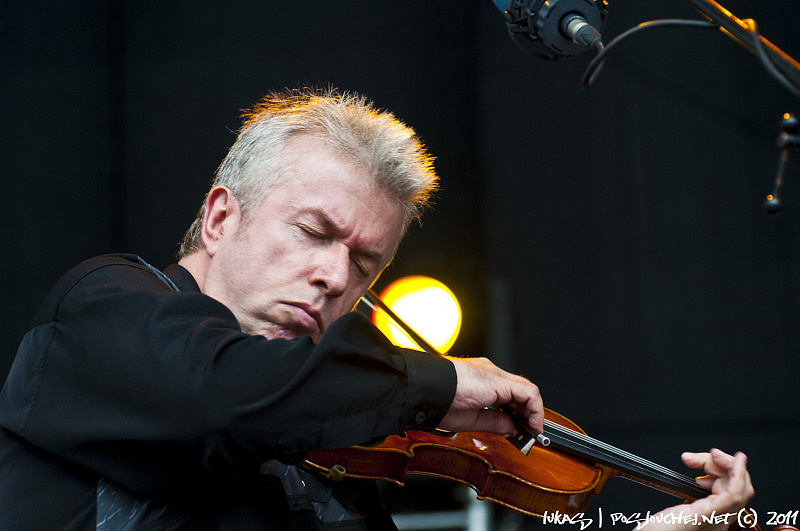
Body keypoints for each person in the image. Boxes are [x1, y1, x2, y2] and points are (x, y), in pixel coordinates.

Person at [0, 86, 751, 530]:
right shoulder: (103, 307)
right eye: (313, 232)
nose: (335, 276)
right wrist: (439, 382)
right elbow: (221, 396)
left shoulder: (335, 454)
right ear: (222, 217)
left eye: (365, 264)